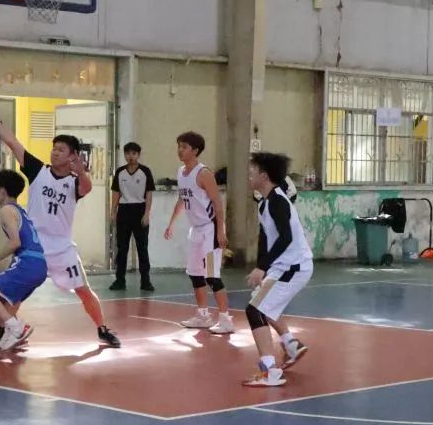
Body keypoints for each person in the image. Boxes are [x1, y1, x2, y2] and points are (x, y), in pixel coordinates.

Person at [0, 100, 120, 349]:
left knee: (83, 290)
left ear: (73, 156)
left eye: (61, 150)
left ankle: (102, 328)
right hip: (33, 246)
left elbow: (86, 188)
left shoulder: (74, 181)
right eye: (54, 148)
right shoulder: (38, 171)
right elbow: (12, 142)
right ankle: (3, 327)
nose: (55, 152)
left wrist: (82, 172)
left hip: (62, 247)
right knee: (16, 293)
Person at [242, 153, 313, 387]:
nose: (249, 176)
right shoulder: (265, 203)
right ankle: (291, 345)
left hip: (294, 267)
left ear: (264, 176)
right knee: (262, 303)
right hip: (283, 266)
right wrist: (260, 266)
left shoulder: (278, 202)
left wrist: (262, 267)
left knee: (255, 311)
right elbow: (265, 240)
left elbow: (285, 238)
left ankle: (270, 371)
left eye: (252, 172)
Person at [164, 131, 234, 334]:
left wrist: (220, 231)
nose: (180, 150)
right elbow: (182, 199)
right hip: (196, 231)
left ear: (195, 151)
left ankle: (225, 319)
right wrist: (171, 224)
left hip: (210, 230)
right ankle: (203, 315)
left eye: (184, 147)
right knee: (195, 274)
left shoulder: (204, 174)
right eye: (179, 146)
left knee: (212, 276)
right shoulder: (181, 172)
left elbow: (217, 204)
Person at [0, 169, 48, 351]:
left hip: (28, 264)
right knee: (11, 300)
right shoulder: (21, 211)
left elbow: (15, 242)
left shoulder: (7, 210)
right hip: (39, 266)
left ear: (2, 191)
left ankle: (17, 328)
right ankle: (10, 334)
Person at [109, 142, 155, 292]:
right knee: (122, 248)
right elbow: (116, 193)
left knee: (142, 247)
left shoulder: (145, 171)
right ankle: (119, 280)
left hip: (140, 209)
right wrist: (113, 211)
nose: (130, 156)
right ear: (124, 155)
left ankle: (145, 281)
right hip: (124, 210)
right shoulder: (120, 172)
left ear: (138, 155)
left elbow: (149, 193)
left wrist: (147, 213)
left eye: (134, 153)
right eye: (127, 153)